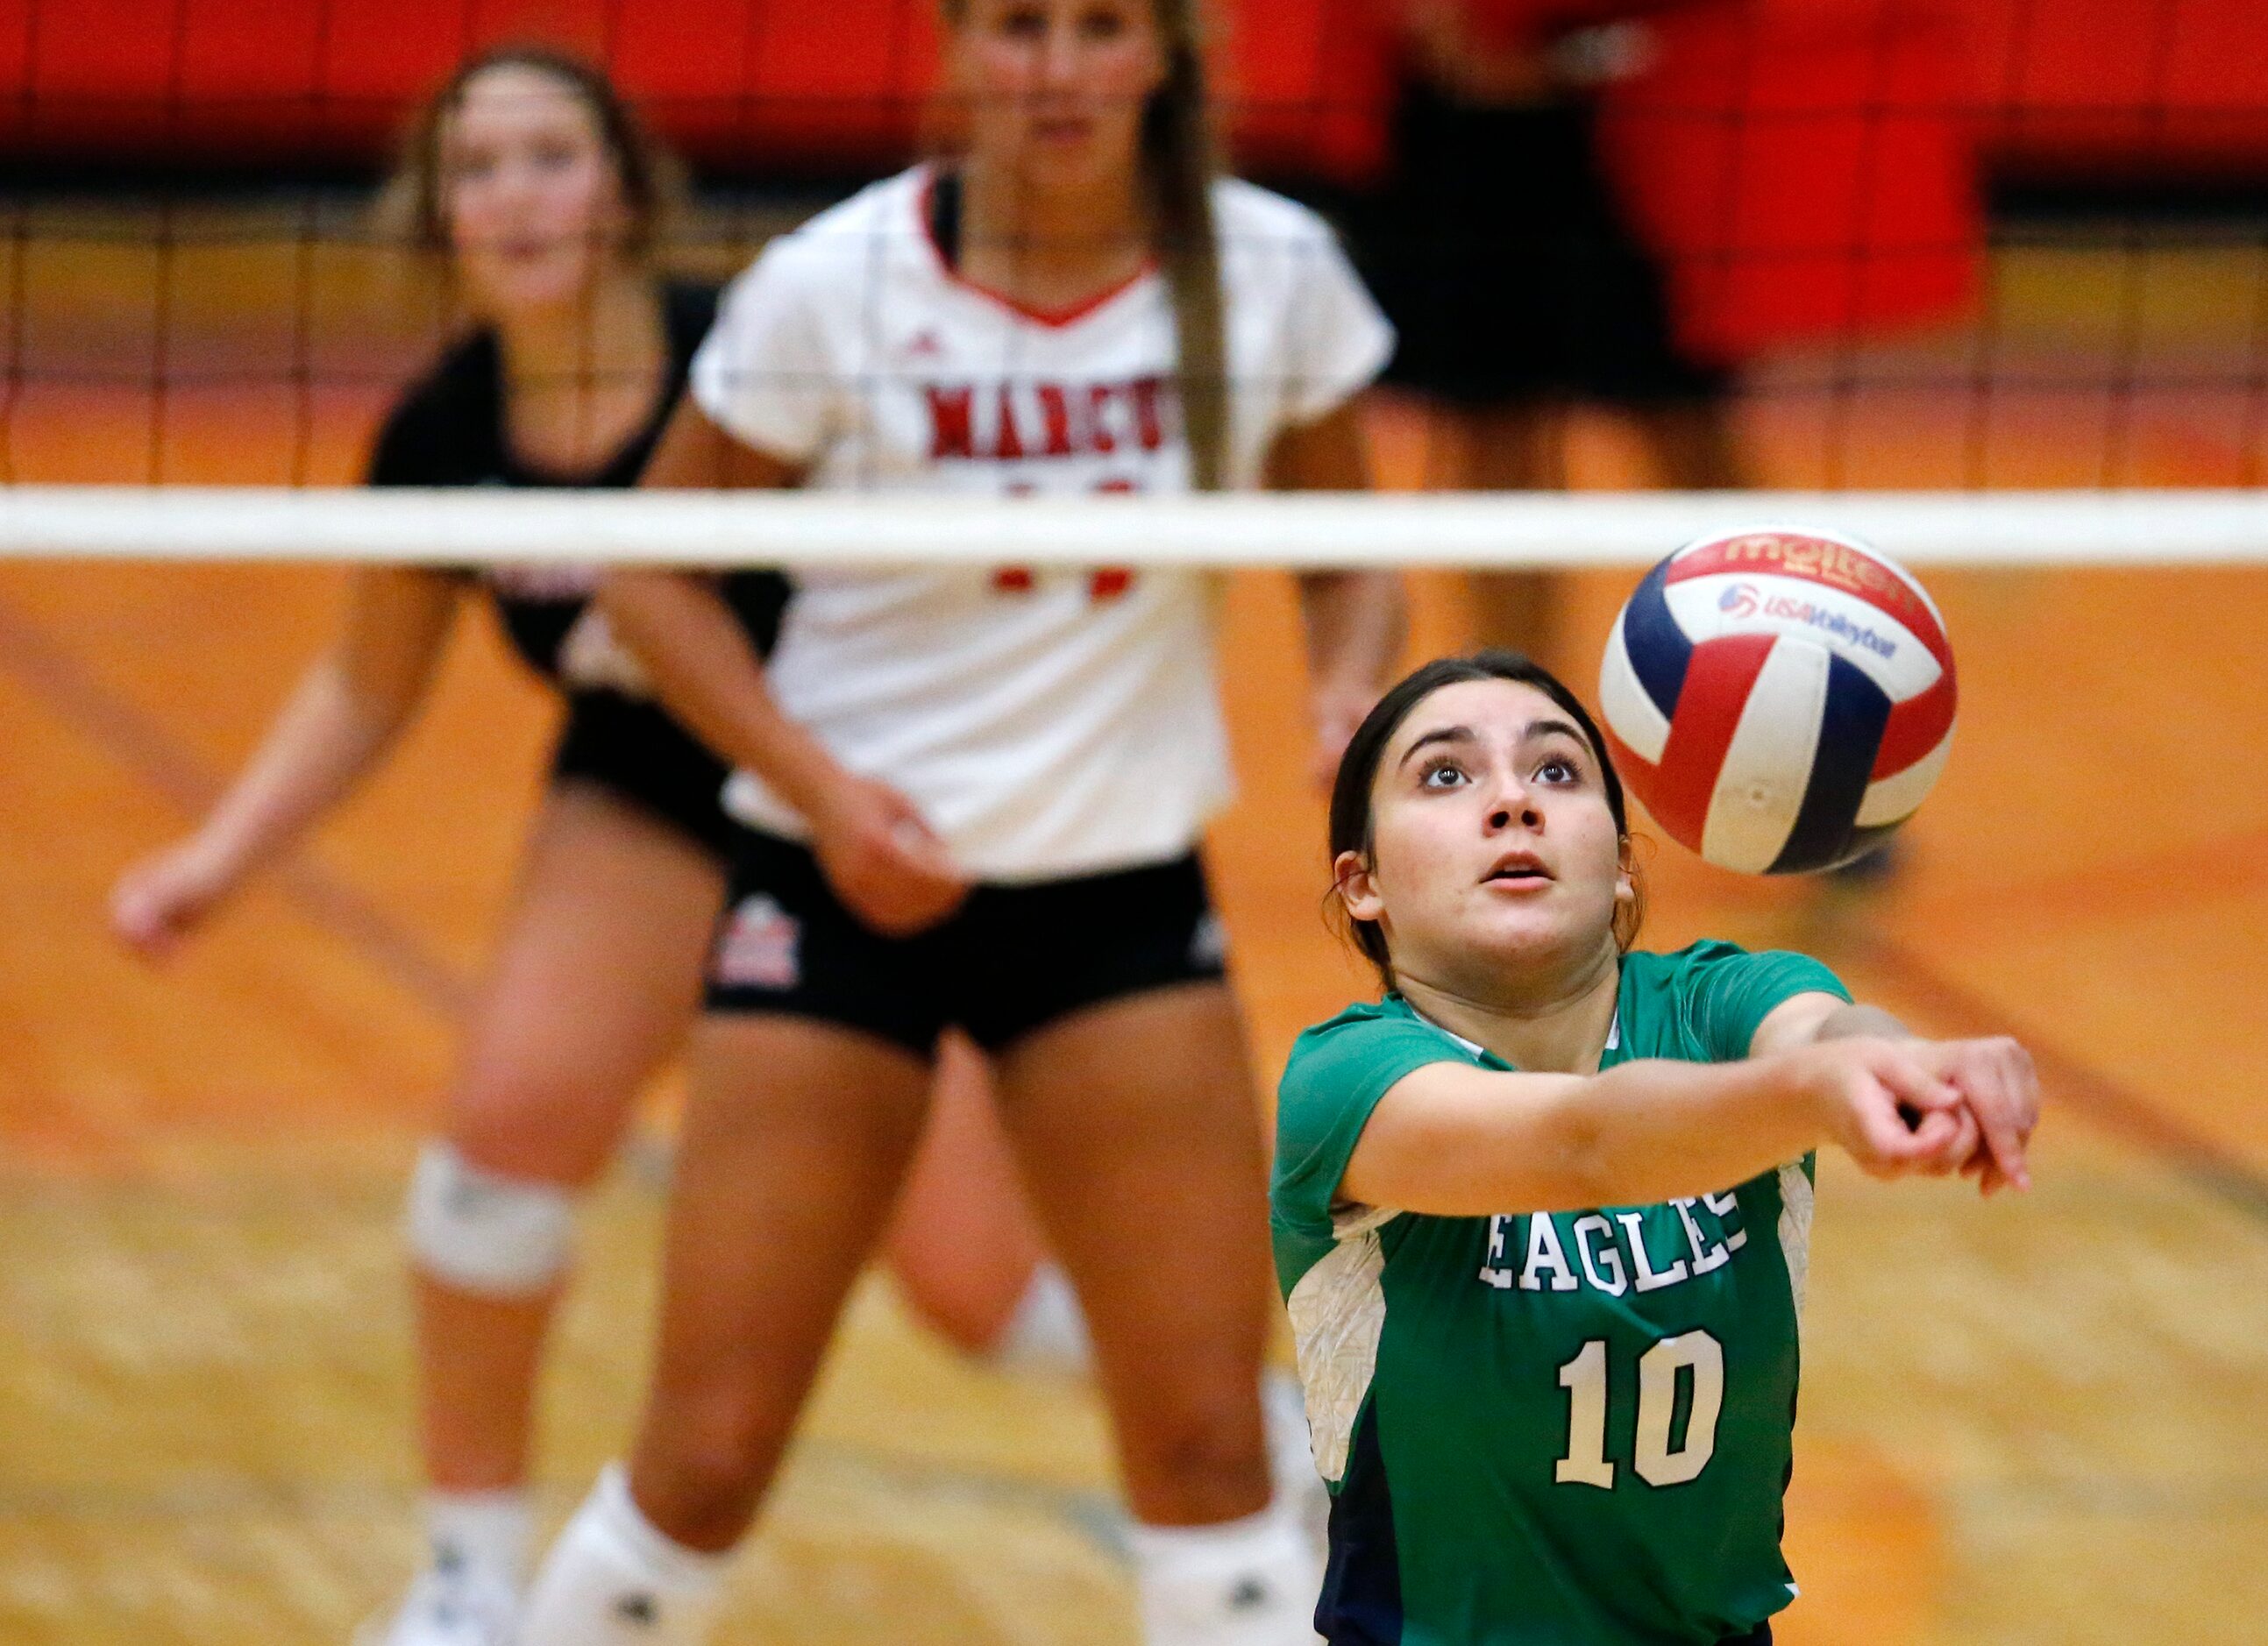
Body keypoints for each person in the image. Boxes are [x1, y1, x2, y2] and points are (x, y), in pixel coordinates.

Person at [104, 46, 1054, 1646]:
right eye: (479, 170)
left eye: (551, 156)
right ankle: (470, 1581)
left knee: (971, 1289)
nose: (517, 196)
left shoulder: (743, 355)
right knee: (495, 1148)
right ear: (439, 215)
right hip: (638, 793)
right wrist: (218, 859)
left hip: (848, 794)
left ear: (620, 186)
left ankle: (1288, 1443)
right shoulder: (443, 429)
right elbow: (362, 680)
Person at [509, 1, 1406, 1642]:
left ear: (1159, 56)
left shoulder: (1263, 270)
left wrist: (1346, 687)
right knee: (704, 1458)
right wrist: (828, 790)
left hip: (1116, 900)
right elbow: (649, 572)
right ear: (955, 50)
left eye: (1096, 28)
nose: (1056, 68)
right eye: (1017, 26)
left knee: (1215, 1445)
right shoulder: (832, 284)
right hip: (835, 888)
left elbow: (1348, 545)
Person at [1271, 649, 2036, 1643]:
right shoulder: (1348, 1081)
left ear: (1624, 867)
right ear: (1361, 883)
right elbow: (1582, 1145)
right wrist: (1809, 1093)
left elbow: (1826, 1031)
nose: (1512, 802)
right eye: (1446, 776)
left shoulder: (1721, 1001)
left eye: (1555, 771)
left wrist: (1907, 1066)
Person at [1354, 0, 1746, 667]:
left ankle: (1772, 644)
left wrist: (1576, 53)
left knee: (1679, 422)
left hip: (1633, 128)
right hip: (1460, 140)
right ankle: (1519, 681)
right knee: (1491, 428)